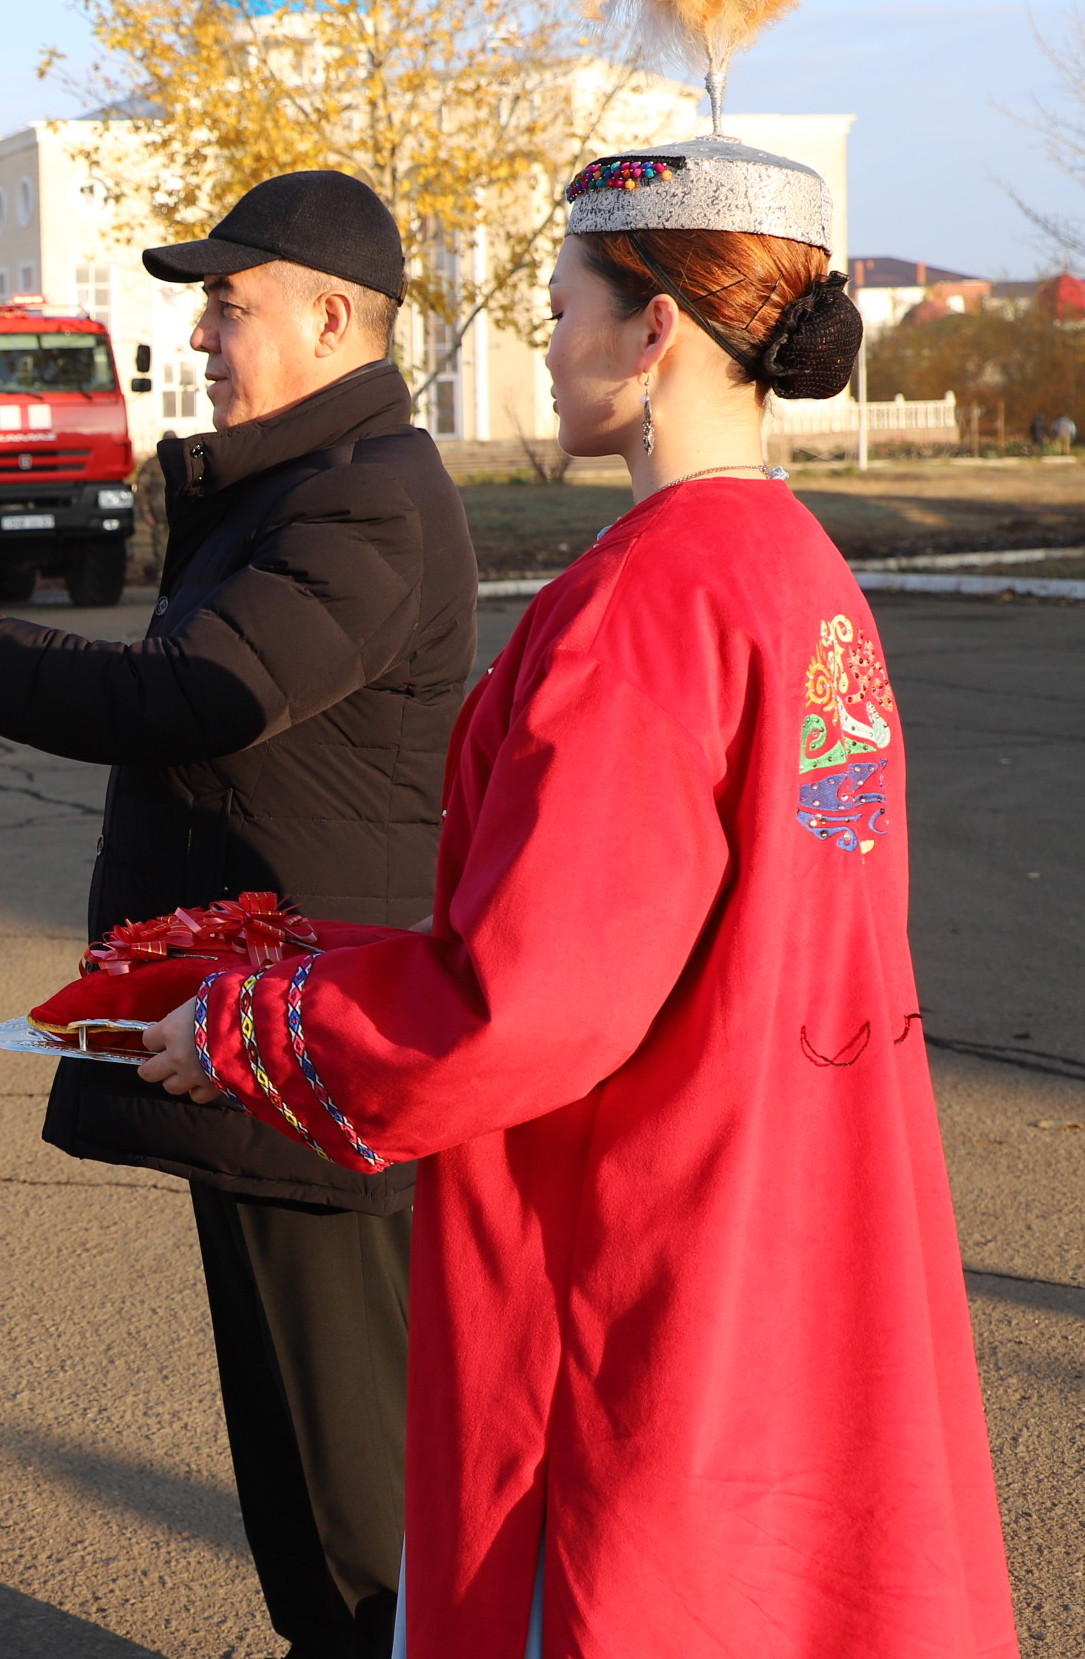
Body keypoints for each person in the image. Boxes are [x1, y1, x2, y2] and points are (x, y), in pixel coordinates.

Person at [137, 139, 1019, 1654]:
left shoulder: (638, 603)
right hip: (793, 1189)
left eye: (561, 307)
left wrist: (256, 1018)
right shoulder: (803, 573)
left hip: (639, 1237)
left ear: (654, 328)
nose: (544, 344)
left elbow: (524, 1002)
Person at [0, 169, 475, 1658]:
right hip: (257, 1031)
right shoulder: (310, 487)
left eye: (228, 303)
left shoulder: (366, 496)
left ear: (330, 315)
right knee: (302, 1464)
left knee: (346, 1488)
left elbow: (186, 693)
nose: (200, 333)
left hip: (308, 1055)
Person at [130, 448, 167, 581]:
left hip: (180, 515)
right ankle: (162, 575)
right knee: (161, 547)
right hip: (159, 515)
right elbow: (142, 491)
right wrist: (147, 514)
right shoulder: (152, 465)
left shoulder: (182, 460)